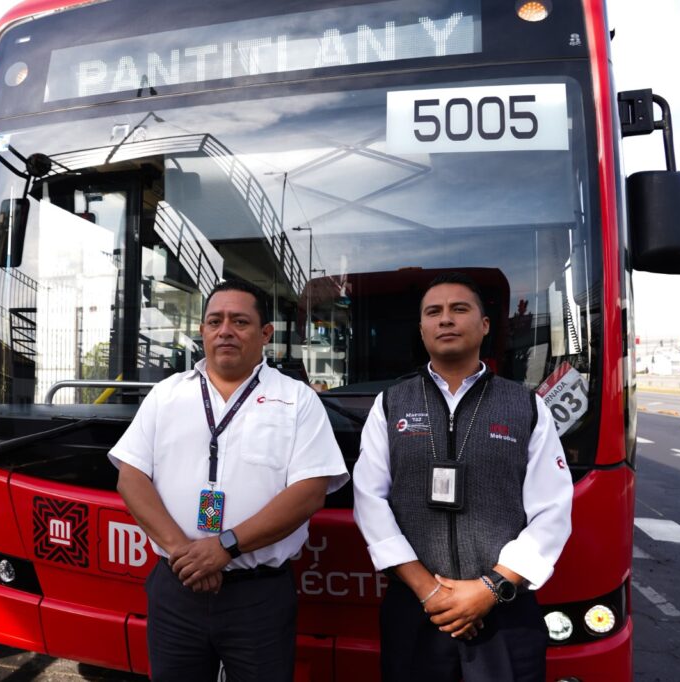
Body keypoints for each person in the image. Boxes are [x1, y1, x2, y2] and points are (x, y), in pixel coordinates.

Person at [110, 279, 349, 682]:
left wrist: (225, 547)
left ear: (265, 334)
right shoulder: (167, 394)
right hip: (176, 588)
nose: (225, 331)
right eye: (215, 321)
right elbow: (131, 477)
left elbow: (309, 493)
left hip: (257, 596)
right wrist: (186, 554)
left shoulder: (296, 399)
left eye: (240, 321)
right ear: (202, 331)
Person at [353, 272, 573, 682]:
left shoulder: (525, 405)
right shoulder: (391, 403)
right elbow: (369, 501)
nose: (446, 320)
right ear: (421, 330)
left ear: (484, 325)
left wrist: (489, 589)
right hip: (416, 608)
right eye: (433, 312)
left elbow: (553, 509)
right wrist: (430, 591)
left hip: (504, 610)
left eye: (459, 309)